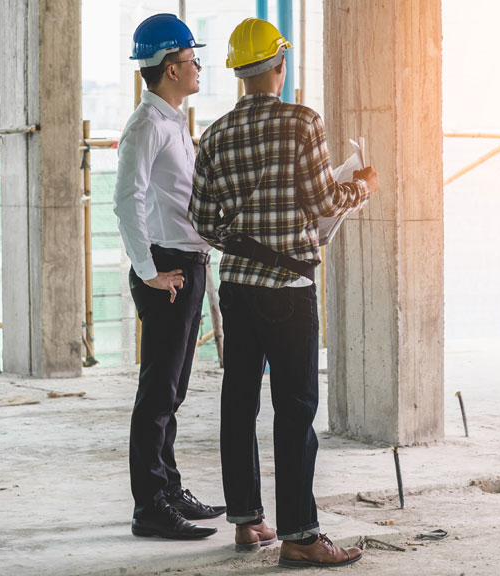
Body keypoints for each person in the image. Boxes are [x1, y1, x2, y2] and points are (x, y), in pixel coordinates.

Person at [188, 17, 379, 567]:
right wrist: (362, 186)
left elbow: (202, 220)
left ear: (239, 74)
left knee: (238, 403)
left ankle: (248, 523)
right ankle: (299, 534)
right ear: (280, 65)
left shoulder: (216, 134)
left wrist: (241, 241)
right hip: (290, 289)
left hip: (237, 289)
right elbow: (323, 201)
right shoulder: (302, 122)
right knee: (294, 410)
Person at [114, 13, 225, 540]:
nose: (198, 66)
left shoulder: (173, 121)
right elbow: (126, 201)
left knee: (173, 389)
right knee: (158, 391)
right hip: (168, 268)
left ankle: (168, 488)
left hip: (188, 263)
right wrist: (149, 271)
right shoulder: (146, 127)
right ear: (171, 68)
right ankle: (150, 508)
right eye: (191, 59)